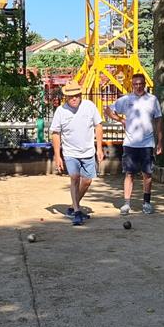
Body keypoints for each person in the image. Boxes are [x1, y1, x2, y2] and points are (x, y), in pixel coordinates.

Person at [106, 73, 163, 215]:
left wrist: (160, 141)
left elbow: (158, 120)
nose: (138, 86)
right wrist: (121, 120)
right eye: (135, 84)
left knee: (147, 174)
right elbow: (108, 110)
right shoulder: (126, 99)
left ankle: (147, 203)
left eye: (141, 84)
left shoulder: (152, 100)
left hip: (147, 144)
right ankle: (126, 204)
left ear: (145, 84)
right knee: (129, 174)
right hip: (130, 143)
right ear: (132, 85)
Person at [51, 80, 105, 226]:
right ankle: (76, 211)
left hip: (88, 151)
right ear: (66, 97)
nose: (74, 98)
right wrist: (57, 156)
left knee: (87, 181)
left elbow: (98, 126)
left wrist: (99, 148)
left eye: (76, 95)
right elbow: (55, 133)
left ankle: (72, 206)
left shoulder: (89, 106)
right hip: (70, 152)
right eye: (70, 96)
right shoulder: (60, 111)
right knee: (74, 177)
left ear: (80, 95)